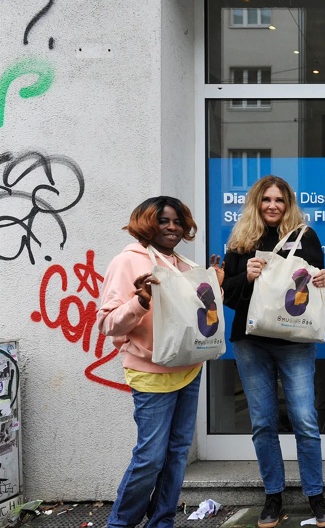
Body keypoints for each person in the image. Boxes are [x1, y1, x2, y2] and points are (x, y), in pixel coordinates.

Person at [221, 176, 325, 528]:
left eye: (280, 200)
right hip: (251, 341)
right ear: (257, 203)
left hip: (295, 342)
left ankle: (315, 494)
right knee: (263, 422)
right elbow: (228, 297)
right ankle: (273, 495)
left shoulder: (307, 236)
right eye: (266, 200)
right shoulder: (241, 241)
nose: (273, 206)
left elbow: (316, 282)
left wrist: (323, 280)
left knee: (304, 419)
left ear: (288, 204)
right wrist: (247, 277)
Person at [98, 196, 216, 528]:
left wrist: (212, 284)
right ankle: (120, 523)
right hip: (150, 372)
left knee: (177, 455)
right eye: (164, 220)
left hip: (189, 369)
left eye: (178, 221)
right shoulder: (127, 262)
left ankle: (162, 521)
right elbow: (108, 324)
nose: (172, 227)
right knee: (150, 458)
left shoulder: (184, 266)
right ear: (146, 222)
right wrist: (139, 302)